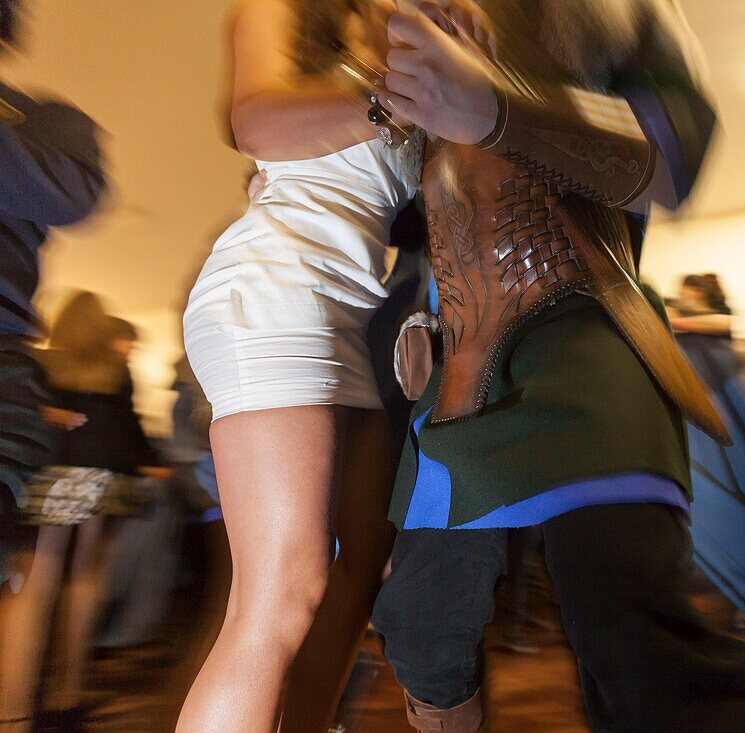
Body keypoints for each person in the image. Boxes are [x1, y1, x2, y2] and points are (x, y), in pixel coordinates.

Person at [368, 1, 745, 731]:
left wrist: (495, 108)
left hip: (584, 330)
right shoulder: (406, 30)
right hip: (459, 364)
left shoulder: (620, 13)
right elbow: (401, 214)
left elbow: (672, 155)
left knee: (628, 619)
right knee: (421, 627)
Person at [178, 1, 434, 729]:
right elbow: (255, 120)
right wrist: (393, 100)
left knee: (358, 577)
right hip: (277, 289)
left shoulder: (411, 32)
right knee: (280, 594)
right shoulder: (281, 8)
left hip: (361, 319)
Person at [0, 3, 106, 729]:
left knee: (44, 579)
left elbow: (79, 192)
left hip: (11, 379)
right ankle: (53, 698)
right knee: (55, 578)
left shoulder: (39, 121)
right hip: (87, 467)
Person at [0, 295, 162, 733]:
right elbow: (127, 429)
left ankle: (13, 711)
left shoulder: (41, 364)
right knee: (86, 579)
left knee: (31, 587)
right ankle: (65, 694)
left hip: (46, 477)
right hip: (97, 479)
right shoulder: (114, 371)